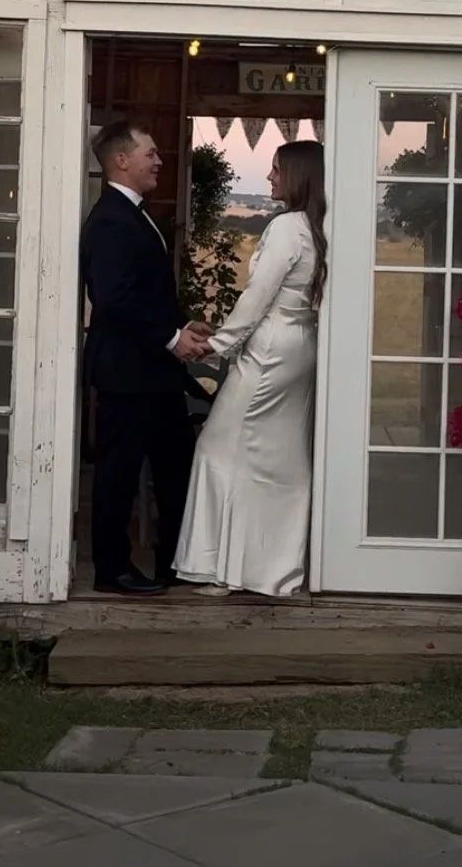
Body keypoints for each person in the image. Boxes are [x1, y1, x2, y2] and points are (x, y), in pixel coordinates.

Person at [174, 139, 327, 599]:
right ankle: (277, 567)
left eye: (277, 169)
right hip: (300, 345)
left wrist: (215, 345)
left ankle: (227, 569)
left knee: (219, 448)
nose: (270, 177)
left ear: (298, 175)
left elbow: (256, 298)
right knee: (282, 457)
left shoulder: (286, 228)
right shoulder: (316, 226)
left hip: (270, 351)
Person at [80, 116, 210, 597]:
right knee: (118, 472)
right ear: (121, 160)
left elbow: (143, 293)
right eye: (149, 152)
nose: (159, 160)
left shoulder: (132, 213)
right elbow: (114, 299)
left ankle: (175, 560)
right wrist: (169, 338)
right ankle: (110, 569)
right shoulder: (112, 219)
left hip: (153, 372)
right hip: (126, 371)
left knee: (175, 467)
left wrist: (181, 328)